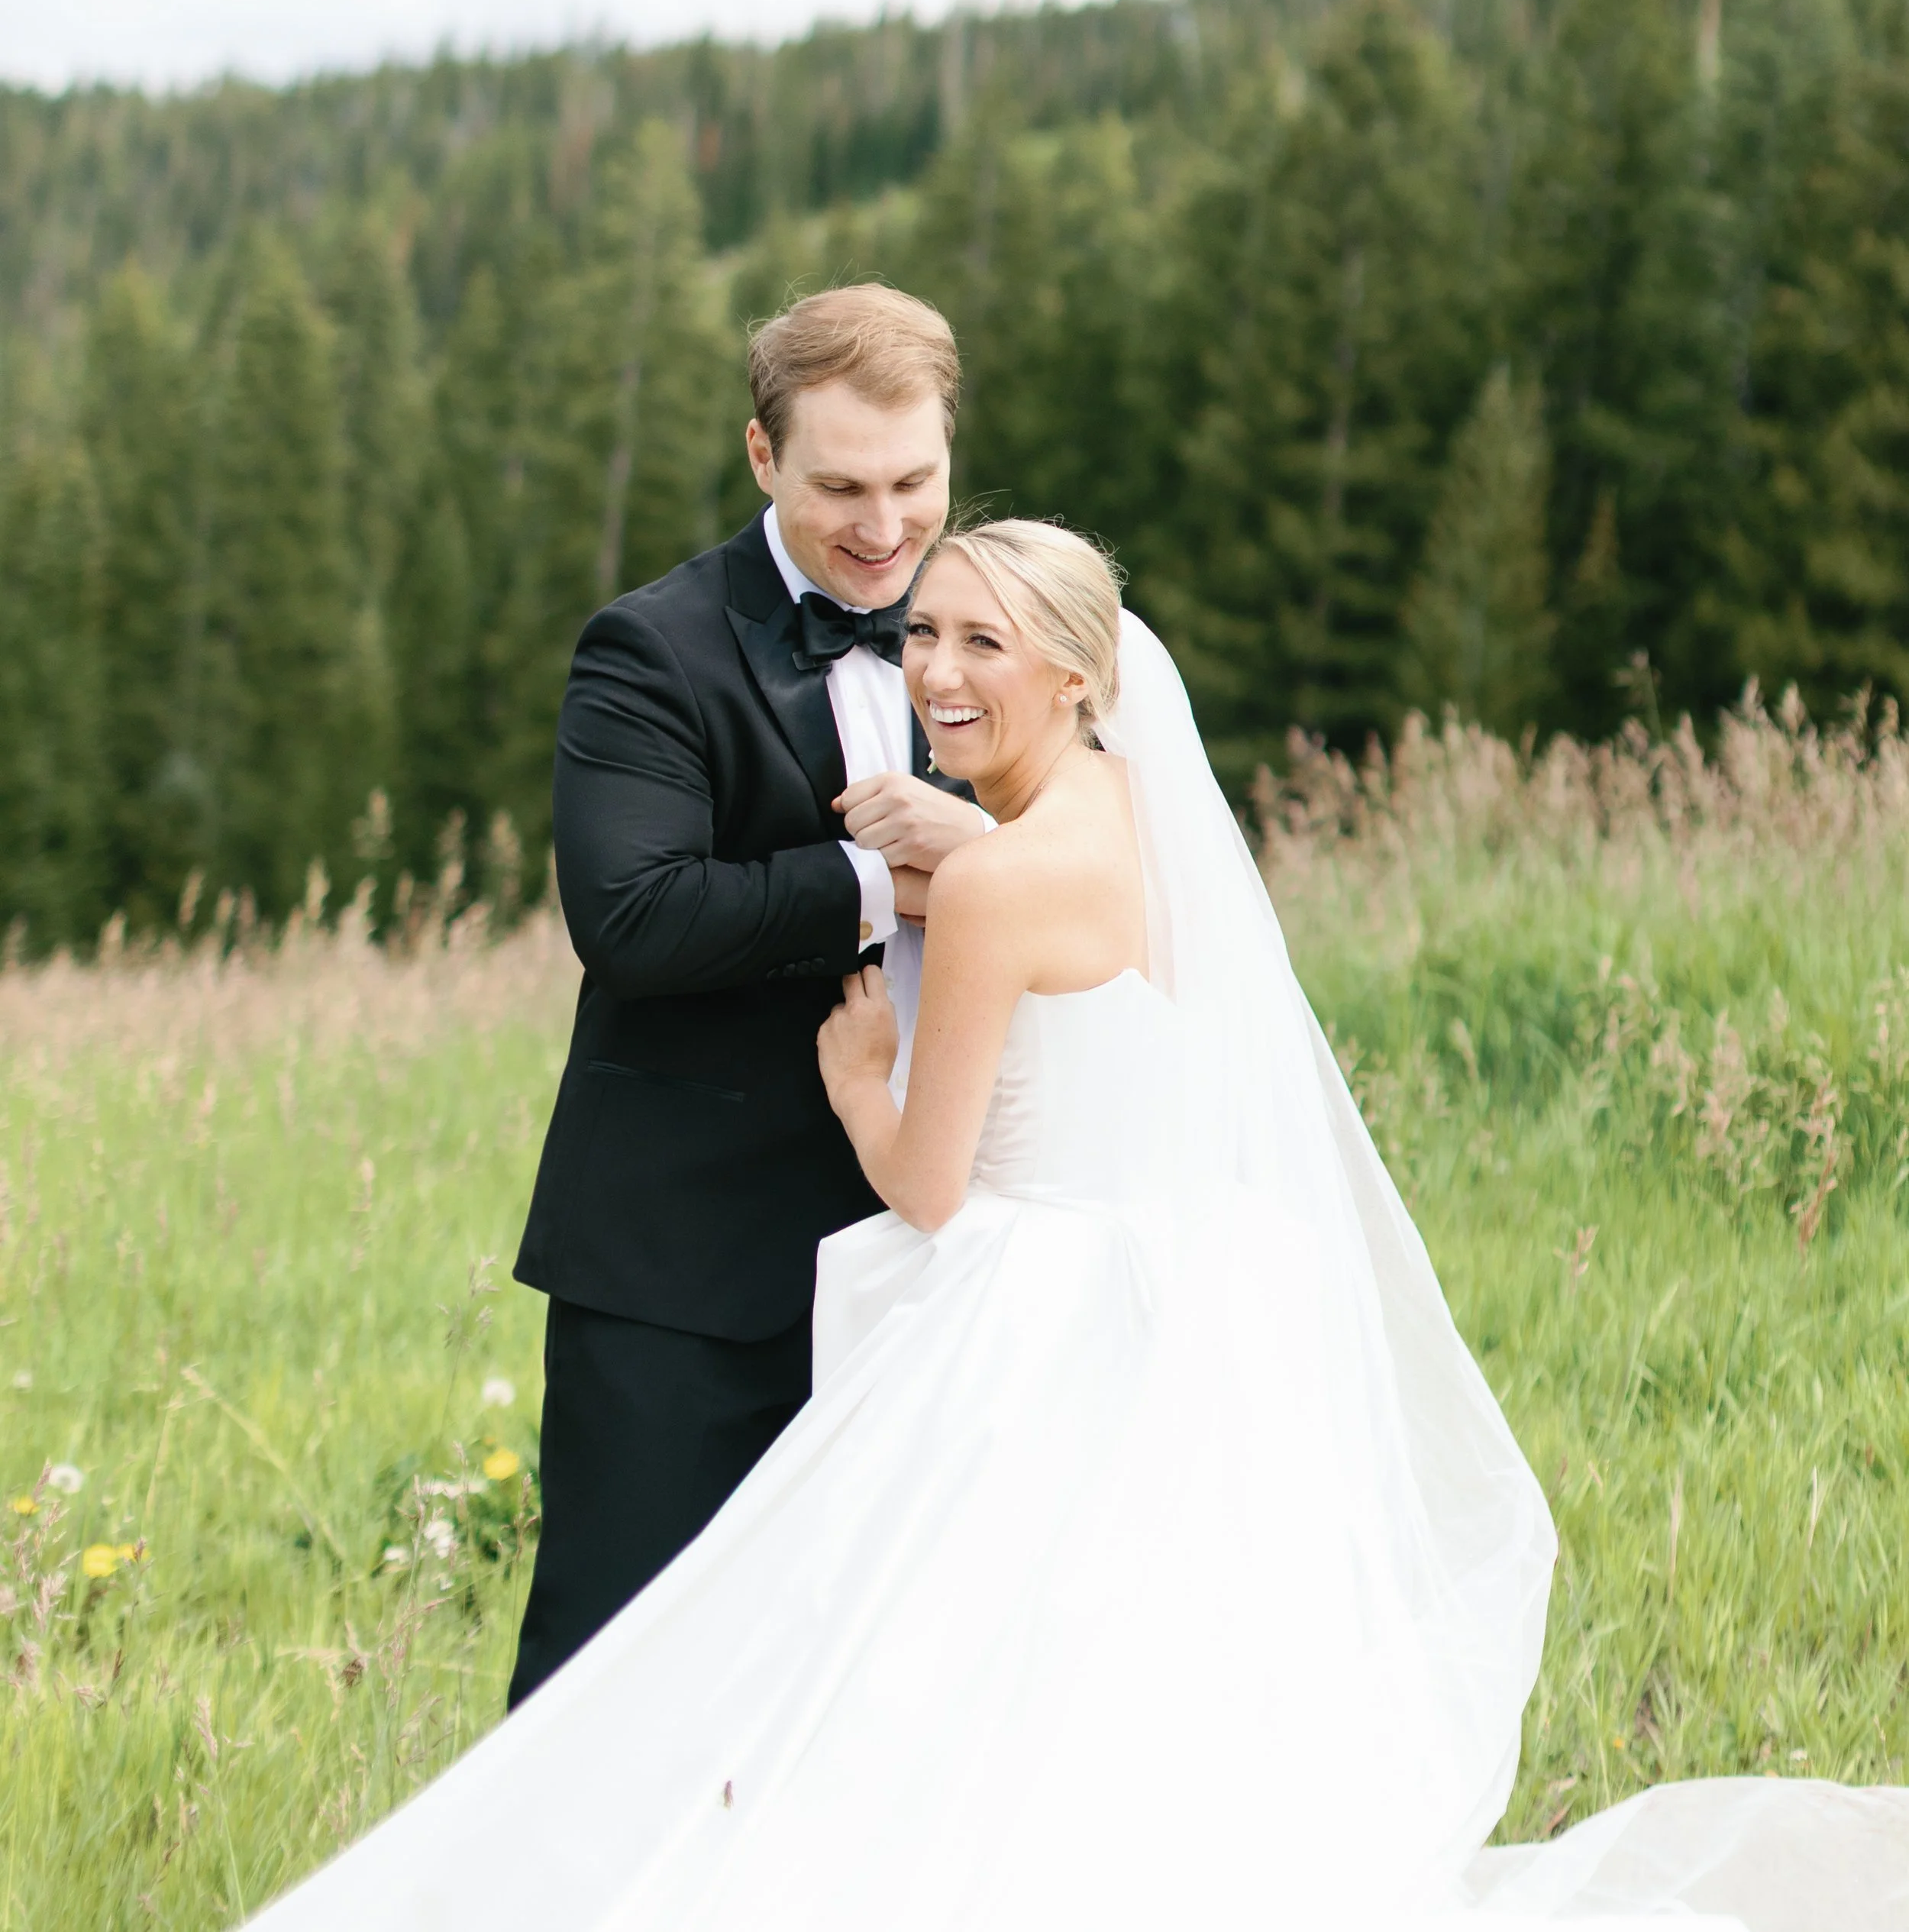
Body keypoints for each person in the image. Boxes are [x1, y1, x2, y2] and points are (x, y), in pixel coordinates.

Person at [256, 522, 1909, 1930]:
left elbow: (922, 1177)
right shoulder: (1134, 810)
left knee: (919, 1674)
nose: (938, 672)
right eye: (924, 633)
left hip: (1023, 1308)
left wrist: (852, 1072)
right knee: (1116, 1676)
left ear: (1078, 673)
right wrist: (956, 845)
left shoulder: (986, 888)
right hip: (1179, 1290)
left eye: (987, 641)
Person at [506, 284, 990, 1707]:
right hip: (688, 1267)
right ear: (763, 457)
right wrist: (874, 883)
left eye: (917, 482)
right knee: (615, 1689)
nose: (886, 528)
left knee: (878, 1691)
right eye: (842, 485)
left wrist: (985, 869)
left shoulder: (1000, 633)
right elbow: (635, 916)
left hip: (943, 1250)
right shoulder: (649, 651)